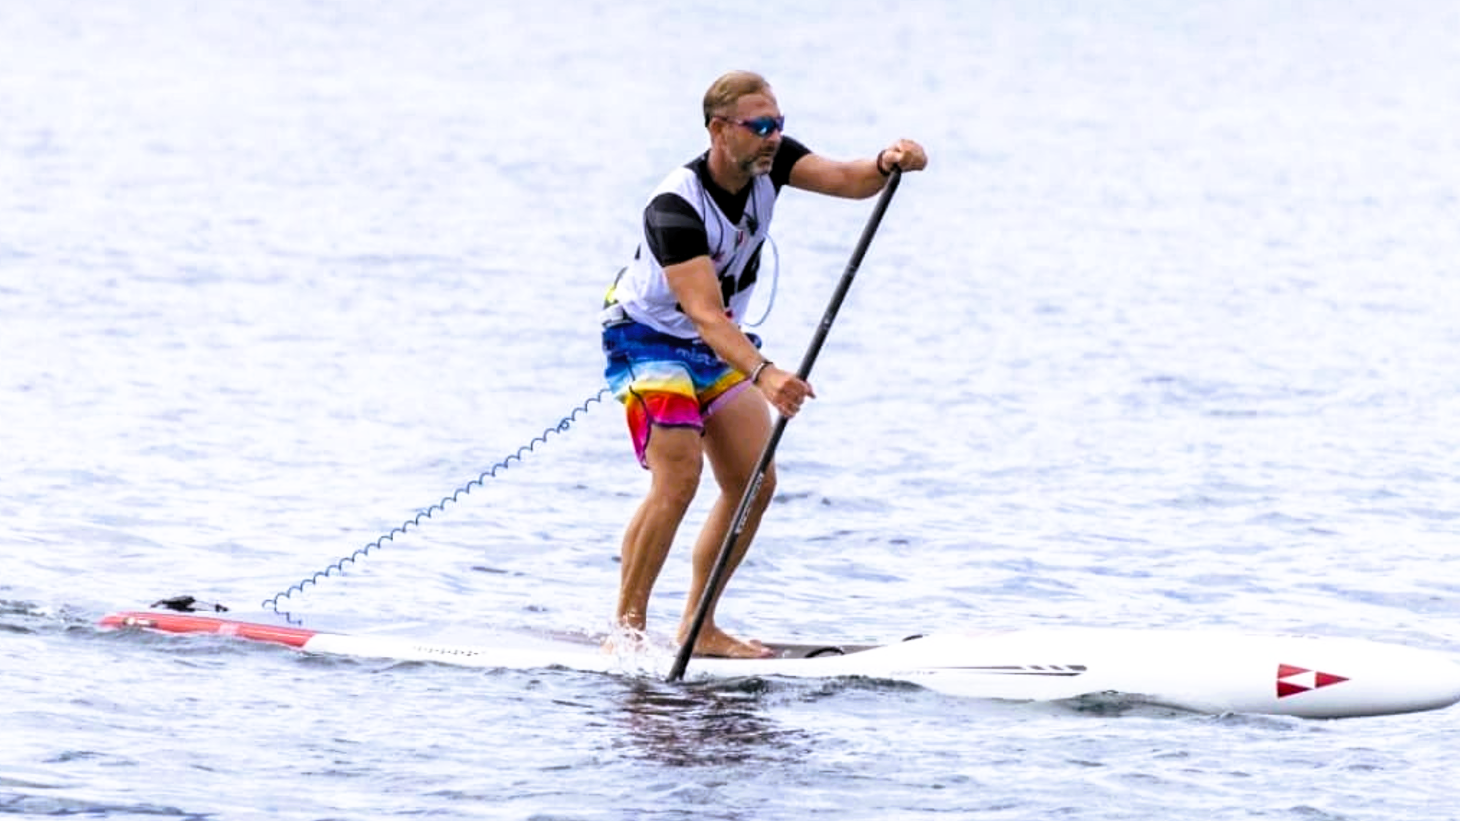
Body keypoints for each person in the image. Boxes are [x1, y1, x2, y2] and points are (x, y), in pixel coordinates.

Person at [600, 70, 928, 658]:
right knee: (677, 477)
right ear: (719, 131)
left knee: (753, 481)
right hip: (647, 338)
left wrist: (887, 161)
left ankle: (699, 627)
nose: (774, 137)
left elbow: (850, 181)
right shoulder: (674, 207)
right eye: (760, 126)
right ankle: (626, 631)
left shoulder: (769, 162)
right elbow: (704, 314)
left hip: (716, 345)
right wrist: (767, 373)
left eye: (779, 124)